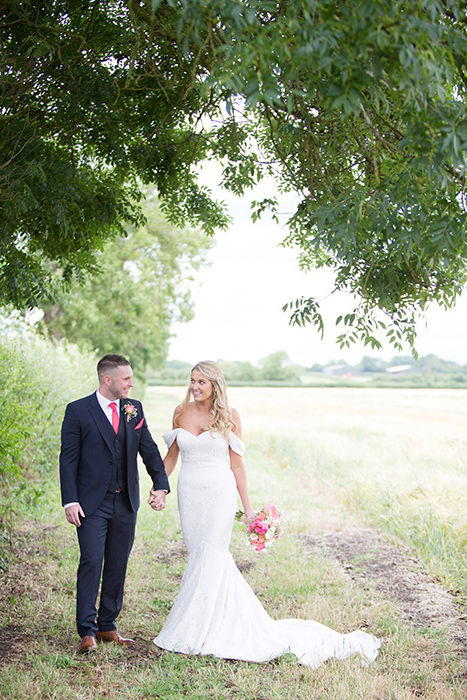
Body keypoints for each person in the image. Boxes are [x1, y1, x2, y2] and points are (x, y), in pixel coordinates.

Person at [149, 360, 380, 668]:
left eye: (201, 382)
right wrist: (159, 488)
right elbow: (171, 457)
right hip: (189, 494)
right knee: (198, 557)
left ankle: (189, 636)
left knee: (212, 556)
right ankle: (213, 625)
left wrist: (247, 509)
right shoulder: (180, 412)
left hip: (220, 493)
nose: (194, 387)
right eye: (192, 380)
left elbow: (237, 466)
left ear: (215, 385)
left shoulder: (230, 417)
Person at [60, 353, 169, 654]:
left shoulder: (134, 410)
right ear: (108, 380)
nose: (131, 384)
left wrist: (160, 485)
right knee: (92, 561)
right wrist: (70, 500)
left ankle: (108, 625)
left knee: (118, 564)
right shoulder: (78, 411)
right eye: (126, 379)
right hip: (90, 503)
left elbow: (148, 449)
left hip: (126, 501)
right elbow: (68, 459)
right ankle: (87, 630)